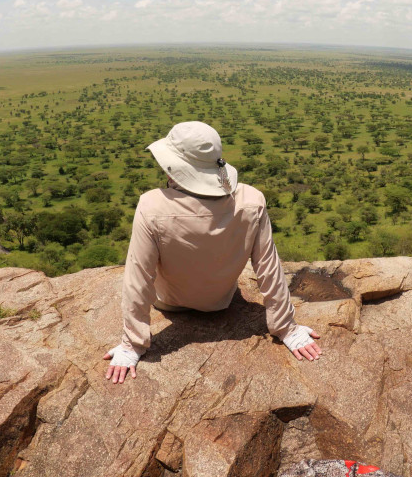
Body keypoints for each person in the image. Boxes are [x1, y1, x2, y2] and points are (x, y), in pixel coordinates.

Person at [104, 121, 322, 384]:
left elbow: (138, 279)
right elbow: (269, 267)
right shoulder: (251, 199)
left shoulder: (151, 205)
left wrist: (132, 344)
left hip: (168, 302)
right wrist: (287, 327)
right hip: (222, 300)